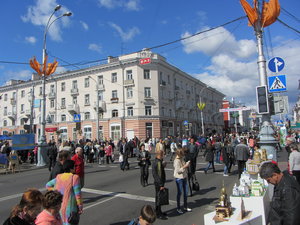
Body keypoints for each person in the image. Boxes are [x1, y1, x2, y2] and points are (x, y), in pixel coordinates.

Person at [46, 160, 83, 225]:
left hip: (59, 206)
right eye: (74, 166)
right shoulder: (75, 177)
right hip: (70, 207)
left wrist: (56, 190)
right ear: (71, 168)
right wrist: (80, 206)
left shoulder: (59, 176)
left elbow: (48, 185)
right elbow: (78, 195)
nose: (75, 168)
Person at [173, 148, 192, 214]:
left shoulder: (181, 159)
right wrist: (185, 166)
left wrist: (186, 164)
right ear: (179, 154)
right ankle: (178, 208)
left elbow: (183, 165)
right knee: (179, 193)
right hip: (179, 178)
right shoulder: (176, 161)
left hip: (184, 177)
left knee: (186, 192)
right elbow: (178, 170)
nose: (183, 156)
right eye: (182, 154)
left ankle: (185, 206)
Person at [152, 150, 167, 219]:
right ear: (160, 155)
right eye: (162, 155)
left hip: (158, 182)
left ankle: (159, 211)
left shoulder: (157, 161)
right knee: (159, 198)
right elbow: (158, 174)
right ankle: (158, 213)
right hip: (159, 182)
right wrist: (161, 184)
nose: (163, 156)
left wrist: (163, 166)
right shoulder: (158, 162)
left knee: (158, 197)